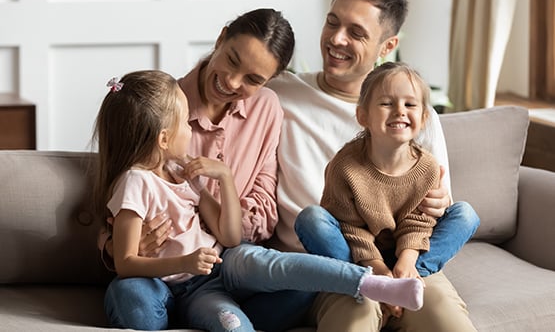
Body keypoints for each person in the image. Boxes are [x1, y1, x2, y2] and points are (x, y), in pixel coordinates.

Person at [93, 69, 425, 332]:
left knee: (273, 264)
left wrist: (222, 177)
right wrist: (184, 263)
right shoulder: (135, 182)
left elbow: (230, 237)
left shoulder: (183, 172)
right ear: (164, 139)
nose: (190, 131)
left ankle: (371, 284)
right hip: (191, 288)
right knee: (232, 324)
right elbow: (125, 264)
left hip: (222, 267)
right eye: (184, 124)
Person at [266, 0, 480, 332]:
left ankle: (395, 286)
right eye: (332, 22)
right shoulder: (279, 94)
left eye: (356, 32)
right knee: (352, 321)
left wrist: (438, 203)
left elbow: (434, 210)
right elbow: (210, 89)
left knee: (449, 324)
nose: (336, 39)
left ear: (387, 46)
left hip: (405, 263)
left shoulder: (414, 115)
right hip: (328, 265)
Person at [313, 61, 477, 323]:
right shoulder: (344, 166)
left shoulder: (427, 166)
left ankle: (408, 277)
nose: (400, 111)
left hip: (408, 252)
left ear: (423, 118)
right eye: (387, 103)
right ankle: (381, 283)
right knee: (312, 219)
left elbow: (420, 221)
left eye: (410, 105)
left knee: (466, 214)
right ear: (363, 116)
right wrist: (377, 268)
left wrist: (407, 260)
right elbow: (349, 228)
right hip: (360, 254)